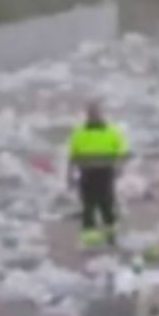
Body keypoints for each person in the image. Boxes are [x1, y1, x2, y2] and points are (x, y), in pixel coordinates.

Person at [68, 104, 129, 248]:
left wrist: (119, 167)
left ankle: (111, 237)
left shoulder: (111, 131)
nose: (94, 116)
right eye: (92, 114)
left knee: (106, 205)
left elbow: (122, 151)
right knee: (88, 207)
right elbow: (72, 155)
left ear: (102, 115)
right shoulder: (79, 132)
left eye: (96, 113)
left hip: (105, 173)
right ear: (87, 115)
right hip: (87, 174)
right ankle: (91, 241)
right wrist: (69, 174)